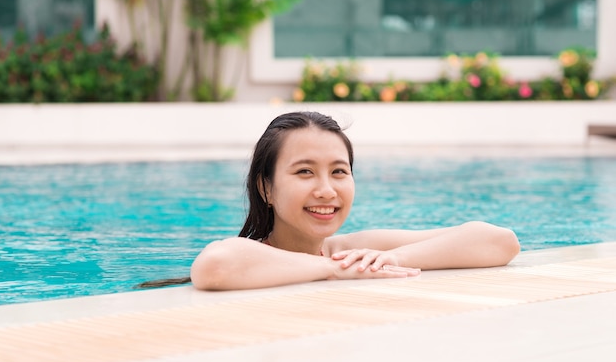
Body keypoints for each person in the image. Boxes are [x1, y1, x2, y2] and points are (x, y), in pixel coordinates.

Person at [188, 111, 520, 291]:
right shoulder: (259, 255)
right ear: (266, 189)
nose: (326, 190)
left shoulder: (354, 249)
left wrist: (390, 257)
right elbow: (214, 267)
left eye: (338, 172)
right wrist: (334, 270)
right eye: (304, 172)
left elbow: (500, 241)